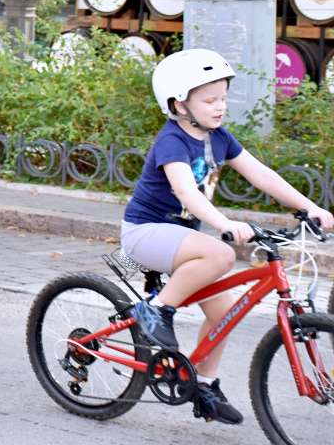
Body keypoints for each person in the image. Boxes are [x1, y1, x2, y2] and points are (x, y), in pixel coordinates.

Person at [122, 48, 334, 425]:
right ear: (179, 104)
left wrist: (309, 208)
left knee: (224, 312)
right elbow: (186, 193)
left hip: (183, 242)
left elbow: (261, 174)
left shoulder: (219, 137)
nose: (220, 107)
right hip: (145, 233)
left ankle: (203, 384)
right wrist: (224, 224)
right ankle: (153, 311)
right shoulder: (172, 141)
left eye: (223, 98)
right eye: (209, 100)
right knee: (220, 255)